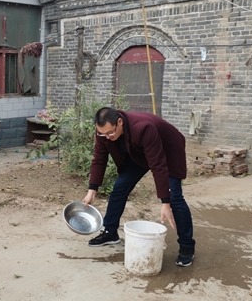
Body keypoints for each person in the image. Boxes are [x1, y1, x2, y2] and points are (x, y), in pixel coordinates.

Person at [82, 107, 195, 267]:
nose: (107, 137)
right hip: (139, 152)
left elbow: (158, 165)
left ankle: (187, 246)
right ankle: (110, 232)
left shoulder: (143, 128)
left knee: (175, 198)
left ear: (119, 122)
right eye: (103, 134)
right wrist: (92, 189)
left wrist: (165, 202)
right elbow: (99, 159)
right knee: (120, 187)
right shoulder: (103, 131)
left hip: (168, 150)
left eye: (110, 133)